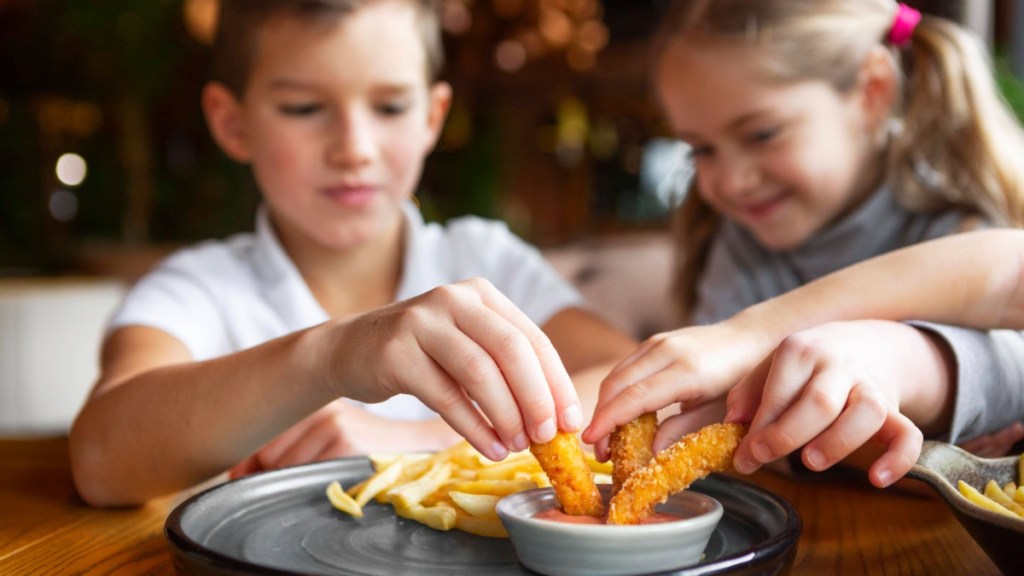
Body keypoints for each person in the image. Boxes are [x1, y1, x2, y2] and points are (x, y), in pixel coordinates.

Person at [69, 0, 635, 507]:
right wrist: (332, 356)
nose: (354, 148)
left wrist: (421, 444)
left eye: (389, 108)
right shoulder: (198, 288)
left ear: (432, 117)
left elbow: (629, 381)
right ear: (231, 122)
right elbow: (100, 459)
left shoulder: (485, 258)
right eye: (303, 108)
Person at [583, 1, 1024, 488]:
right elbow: (727, 413)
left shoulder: (957, 222)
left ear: (872, 92)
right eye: (702, 149)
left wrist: (751, 337)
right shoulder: (739, 242)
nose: (732, 181)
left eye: (762, 134)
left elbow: (1007, 373)